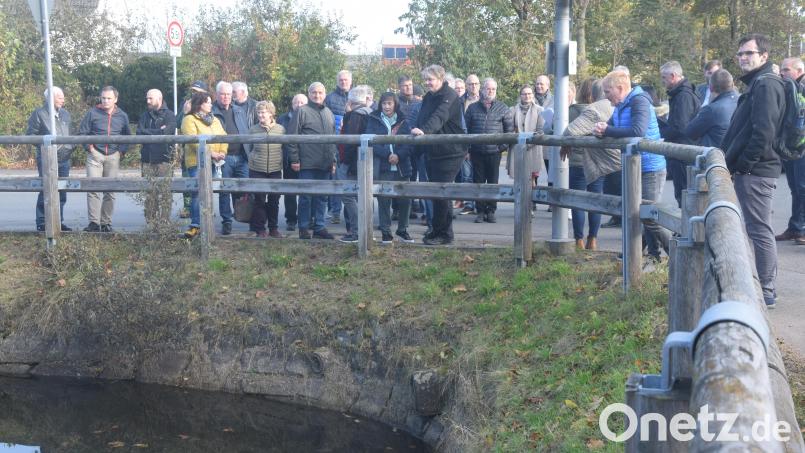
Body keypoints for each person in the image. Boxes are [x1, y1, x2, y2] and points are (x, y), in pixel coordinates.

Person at [721, 33, 785, 308]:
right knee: (754, 229)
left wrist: (744, 165)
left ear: (764, 56)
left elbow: (764, 132)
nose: (743, 58)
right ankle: (761, 287)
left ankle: (767, 290)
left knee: (759, 230)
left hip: (758, 171)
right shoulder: (758, 83)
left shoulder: (766, 85)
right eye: (740, 54)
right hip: (754, 170)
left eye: (749, 53)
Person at [594, 70, 669, 262]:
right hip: (634, 166)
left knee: (649, 215)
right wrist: (602, 130)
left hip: (650, 167)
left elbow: (638, 130)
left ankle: (675, 253)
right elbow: (612, 127)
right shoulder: (620, 105)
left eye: (608, 90)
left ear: (620, 88)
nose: (605, 95)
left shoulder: (639, 101)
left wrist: (608, 130)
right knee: (638, 213)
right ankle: (652, 255)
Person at [411, 65, 466, 245]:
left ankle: (445, 234)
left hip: (450, 152)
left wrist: (424, 132)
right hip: (433, 151)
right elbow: (422, 118)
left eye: (431, 79)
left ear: (441, 79)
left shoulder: (450, 95)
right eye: (426, 79)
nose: (427, 83)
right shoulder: (428, 97)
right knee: (436, 193)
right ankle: (437, 230)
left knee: (442, 192)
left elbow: (439, 118)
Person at [561, 79, 619, 251]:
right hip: (597, 162)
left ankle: (579, 239)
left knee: (578, 200)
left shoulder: (573, 111)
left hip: (577, 162)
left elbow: (567, 131)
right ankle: (593, 238)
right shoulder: (609, 110)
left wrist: (565, 144)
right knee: (596, 199)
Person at [286, 82, 337, 240]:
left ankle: (319, 227)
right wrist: (294, 159)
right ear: (309, 94)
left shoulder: (329, 113)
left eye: (320, 92)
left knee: (322, 197)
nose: (317, 95)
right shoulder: (302, 111)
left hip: (325, 163)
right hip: (306, 163)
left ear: (325, 94)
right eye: (314, 92)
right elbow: (292, 137)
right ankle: (303, 228)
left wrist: (334, 161)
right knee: (306, 197)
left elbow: (333, 139)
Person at [79, 86, 131, 233]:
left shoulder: (122, 116)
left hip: (113, 155)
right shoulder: (92, 113)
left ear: (115, 99)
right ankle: (94, 223)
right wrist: (90, 148)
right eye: (103, 98)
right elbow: (82, 132)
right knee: (93, 189)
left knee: (110, 190)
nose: (105, 101)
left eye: (109, 98)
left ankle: (106, 223)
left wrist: (121, 152)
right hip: (95, 154)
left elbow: (127, 136)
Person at [366, 92, 415, 243]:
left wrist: (398, 155)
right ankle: (386, 231)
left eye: (390, 103)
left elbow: (409, 143)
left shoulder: (404, 121)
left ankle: (402, 230)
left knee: (405, 199)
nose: (387, 106)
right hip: (383, 166)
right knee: (384, 200)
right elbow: (371, 140)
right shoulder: (373, 119)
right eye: (384, 103)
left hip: (402, 166)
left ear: (395, 105)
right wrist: (388, 154)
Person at [465, 77, 514, 223]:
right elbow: (465, 130)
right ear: (483, 89)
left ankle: (491, 211)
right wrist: (468, 149)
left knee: (493, 182)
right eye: (488, 88)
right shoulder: (472, 108)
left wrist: (500, 148)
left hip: (494, 153)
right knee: (478, 182)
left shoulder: (503, 108)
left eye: (493, 89)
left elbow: (509, 132)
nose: (490, 91)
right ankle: (480, 211)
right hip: (477, 152)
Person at [180, 92, 227, 239]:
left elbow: (224, 137)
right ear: (200, 104)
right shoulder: (189, 119)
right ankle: (195, 226)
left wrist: (222, 152)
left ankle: (206, 224)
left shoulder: (215, 120)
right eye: (208, 102)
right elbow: (193, 140)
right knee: (197, 193)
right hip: (197, 163)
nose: (211, 104)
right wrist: (210, 153)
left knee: (208, 193)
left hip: (214, 162)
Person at [27, 86, 74, 232]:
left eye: (62, 96)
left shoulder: (65, 114)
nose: (63, 99)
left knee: (62, 190)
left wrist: (70, 147)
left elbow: (71, 134)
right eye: (59, 97)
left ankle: (58, 221)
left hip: (64, 159)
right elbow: (31, 136)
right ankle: (42, 222)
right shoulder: (39, 114)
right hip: (47, 158)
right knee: (46, 189)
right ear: (50, 98)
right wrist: (46, 145)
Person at [659, 60, 701, 208]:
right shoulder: (681, 94)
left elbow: (680, 127)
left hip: (683, 151)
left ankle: (687, 227)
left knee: (684, 192)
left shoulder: (684, 96)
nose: (662, 81)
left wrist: (660, 134)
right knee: (683, 191)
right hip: (681, 149)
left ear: (672, 76)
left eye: (664, 78)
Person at [212, 81, 250, 235]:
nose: (226, 97)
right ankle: (227, 221)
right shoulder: (212, 111)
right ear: (217, 95)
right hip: (224, 157)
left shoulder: (239, 110)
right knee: (224, 191)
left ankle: (246, 217)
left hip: (242, 156)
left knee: (246, 189)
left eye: (229, 94)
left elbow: (245, 130)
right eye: (223, 94)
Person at [336, 86, 373, 243]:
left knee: (348, 196)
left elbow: (349, 143)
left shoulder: (355, 116)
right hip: (366, 161)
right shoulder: (371, 114)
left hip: (352, 163)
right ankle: (364, 231)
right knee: (362, 196)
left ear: (350, 101)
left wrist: (345, 162)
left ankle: (357, 231)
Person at [137, 88, 177, 227]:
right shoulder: (144, 115)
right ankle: (151, 225)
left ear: (159, 99)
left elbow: (168, 132)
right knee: (149, 193)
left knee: (165, 193)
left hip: (164, 160)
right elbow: (139, 133)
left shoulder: (170, 115)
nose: (147, 101)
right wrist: (159, 131)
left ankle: (165, 224)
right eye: (147, 98)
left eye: (150, 98)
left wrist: (150, 132)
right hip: (147, 160)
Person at [776, 57, 805, 245]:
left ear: (799, 70)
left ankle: (800, 227)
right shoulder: (791, 87)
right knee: (796, 188)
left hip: (801, 145)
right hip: (793, 146)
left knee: (802, 188)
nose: (782, 73)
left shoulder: (800, 87)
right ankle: (795, 227)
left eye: (786, 69)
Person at [245, 101, 284, 238]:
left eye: (263, 112)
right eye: (259, 112)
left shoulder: (280, 129)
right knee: (259, 199)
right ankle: (260, 229)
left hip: (275, 169)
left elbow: (284, 148)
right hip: (257, 169)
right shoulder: (253, 129)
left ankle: (273, 228)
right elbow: (249, 149)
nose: (260, 115)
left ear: (270, 113)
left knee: (274, 200)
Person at [507, 84, 545, 216]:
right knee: (519, 179)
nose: (527, 96)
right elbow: (509, 128)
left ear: (533, 95)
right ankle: (519, 204)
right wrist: (518, 141)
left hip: (533, 149)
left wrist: (528, 143)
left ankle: (530, 205)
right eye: (524, 94)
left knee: (531, 180)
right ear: (520, 95)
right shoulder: (512, 110)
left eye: (529, 94)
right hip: (517, 148)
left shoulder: (540, 110)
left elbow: (540, 130)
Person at [176, 80, 209, 219]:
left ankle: (205, 210)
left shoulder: (208, 105)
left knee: (205, 182)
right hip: (188, 150)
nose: (194, 93)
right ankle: (187, 207)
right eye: (193, 91)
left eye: (197, 91)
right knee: (187, 178)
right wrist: (184, 113)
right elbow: (177, 125)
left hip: (206, 151)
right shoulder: (186, 104)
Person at [684, 69, 738, 148]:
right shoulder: (741, 100)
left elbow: (689, 133)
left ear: (711, 88)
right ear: (732, 85)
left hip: (715, 156)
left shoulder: (711, 109)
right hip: (734, 153)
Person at [324, 70, 352, 225]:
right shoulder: (330, 98)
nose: (343, 82)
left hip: (351, 143)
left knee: (350, 179)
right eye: (341, 80)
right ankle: (335, 212)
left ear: (350, 81)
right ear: (337, 81)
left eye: (346, 80)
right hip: (334, 142)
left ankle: (351, 214)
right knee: (335, 179)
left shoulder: (355, 96)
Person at [277, 93, 308, 231]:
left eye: (302, 102)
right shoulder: (282, 119)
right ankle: (291, 219)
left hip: (307, 160)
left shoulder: (310, 116)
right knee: (290, 192)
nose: (299, 105)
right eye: (297, 102)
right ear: (292, 104)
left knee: (306, 192)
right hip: (288, 160)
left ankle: (306, 220)